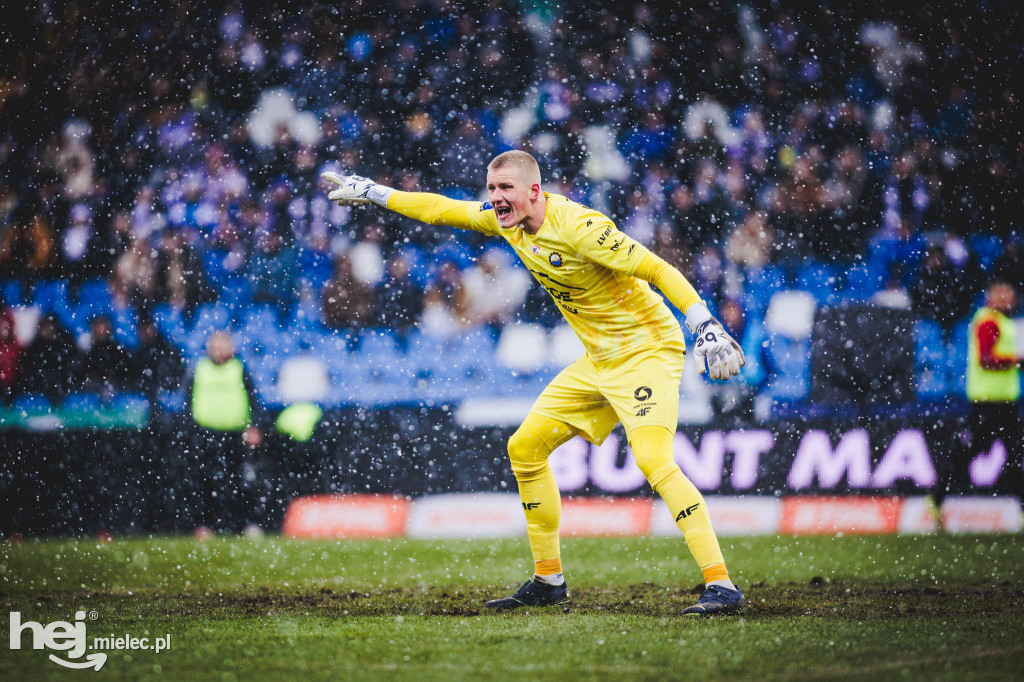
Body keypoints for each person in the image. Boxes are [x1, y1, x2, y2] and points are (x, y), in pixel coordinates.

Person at [322, 150, 747, 615]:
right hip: (599, 360)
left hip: (646, 351)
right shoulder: (506, 222)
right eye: (492, 189)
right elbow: (441, 208)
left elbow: (656, 269)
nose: (497, 198)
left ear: (534, 191)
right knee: (524, 448)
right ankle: (549, 580)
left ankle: (721, 585)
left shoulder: (583, 228)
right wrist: (376, 194)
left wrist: (704, 324)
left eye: (506, 189)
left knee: (652, 459)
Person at [183, 330, 265, 532]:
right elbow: (187, 400)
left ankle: (246, 524)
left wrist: (254, 426)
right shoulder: (199, 369)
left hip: (235, 433)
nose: (218, 350)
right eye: (214, 345)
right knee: (204, 481)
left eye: (222, 345)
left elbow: (254, 400)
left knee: (241, 482)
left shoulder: (239, 368)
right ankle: (204, 526)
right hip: (205, 433)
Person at [957, 281, 1023, 502]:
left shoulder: (1002, 322)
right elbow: (986, 359)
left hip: (1002, 399)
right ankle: (937, 497)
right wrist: (1016, 361)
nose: (1008, 299)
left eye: (1010, 295)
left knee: (1008, 453)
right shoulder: (989, 321)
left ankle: (937, 498)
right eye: (1003, 294)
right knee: (983, 451)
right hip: (989, 400)